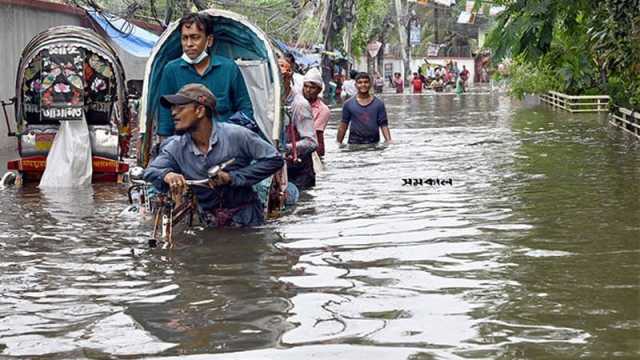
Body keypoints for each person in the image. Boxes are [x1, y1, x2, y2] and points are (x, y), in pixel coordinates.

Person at [143, 84, 283, 227]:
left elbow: (275, 159)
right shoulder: (175, 146)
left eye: (180, 107)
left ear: (200, 110)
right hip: (206, 219)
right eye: (172, 108)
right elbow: (150, 171)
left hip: (247, 218)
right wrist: (167, 175)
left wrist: (232, 177)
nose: (173, 113)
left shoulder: (237, 135)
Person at [156, 13, 254, 138]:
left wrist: (230, 135)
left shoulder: (229, 68)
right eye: (184, 38)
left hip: (226, 143)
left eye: (195, 37)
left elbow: (245, 109)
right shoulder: (171, 70)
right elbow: (165, 118)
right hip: (185, 146)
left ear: (209, 40)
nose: (189, 44)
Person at [278, 56, 318, 190]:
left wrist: (286, 148)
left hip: (299, 173)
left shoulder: (299, 105)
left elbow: (311, 142)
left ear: (289, 76)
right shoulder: (268, 101)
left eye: (281, 77)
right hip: (277, 170)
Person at [338, 72, 392, 145]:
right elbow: (343, 125)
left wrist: (388, 140)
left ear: (370, 84)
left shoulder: (379, 104)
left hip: (374, 144)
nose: (363, 85)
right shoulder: (348, 104)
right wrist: (338, 143)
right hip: (354, 144)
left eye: (366, 82)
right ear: (355, 85)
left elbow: (384, 125)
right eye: (360, 82)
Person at [302, 68, 330, 158]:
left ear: (319, 90)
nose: (308, 90)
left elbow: (317, 135)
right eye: (306, 86)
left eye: (312, 88)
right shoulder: (296, 102)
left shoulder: (323, 110)